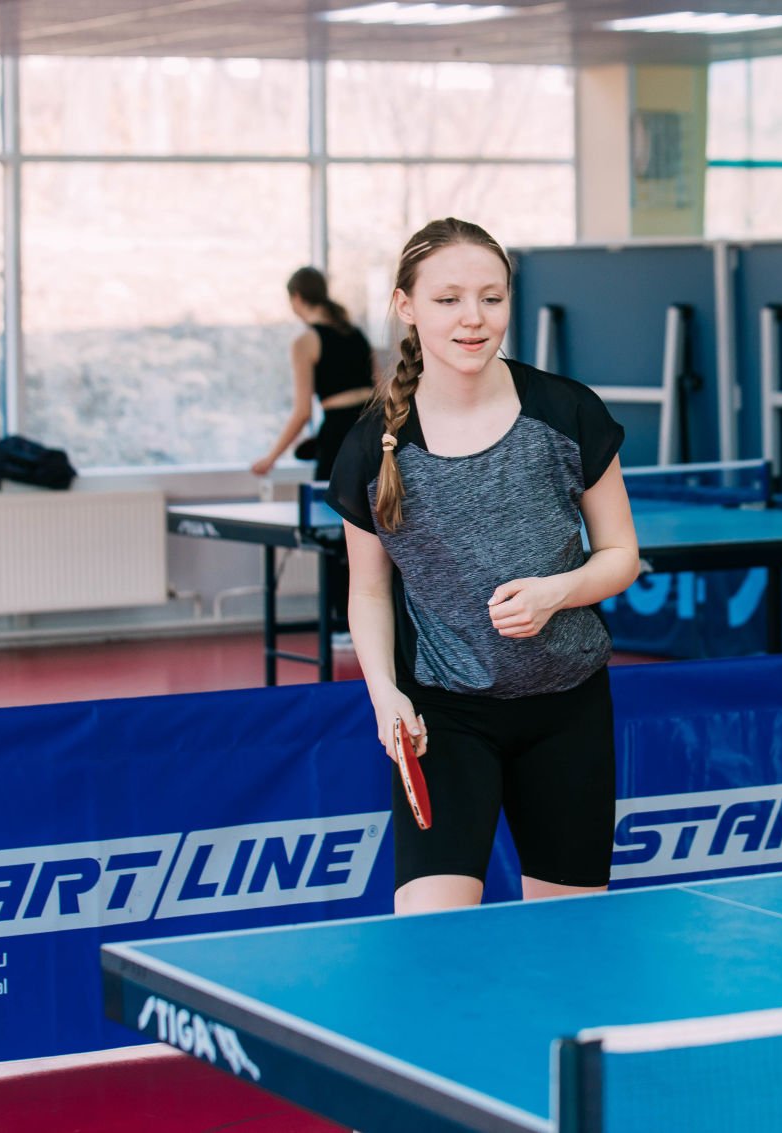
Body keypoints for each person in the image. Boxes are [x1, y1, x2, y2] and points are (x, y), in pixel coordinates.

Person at [325, 218, 640, 915]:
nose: (473, 318)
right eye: (448, 299)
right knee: (432, 939)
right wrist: (384, 694)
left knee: (569, 936)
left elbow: (622, 555)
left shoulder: (566, 412)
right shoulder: (372, 446)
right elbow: (369, 592)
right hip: (442, 716)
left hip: (567, 710)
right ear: (407, 306)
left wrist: (558, 592)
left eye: (491, 298)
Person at [251, 267, 376, 635]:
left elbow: (303, 411)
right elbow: (380, 387)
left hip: (337, 436)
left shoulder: (306, 341)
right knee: (372, 530)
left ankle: (341, 624)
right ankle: (371, 623)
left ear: (296, 299)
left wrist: (271, 458)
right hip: (371, 430)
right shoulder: (357, 334)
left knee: (333, 532)